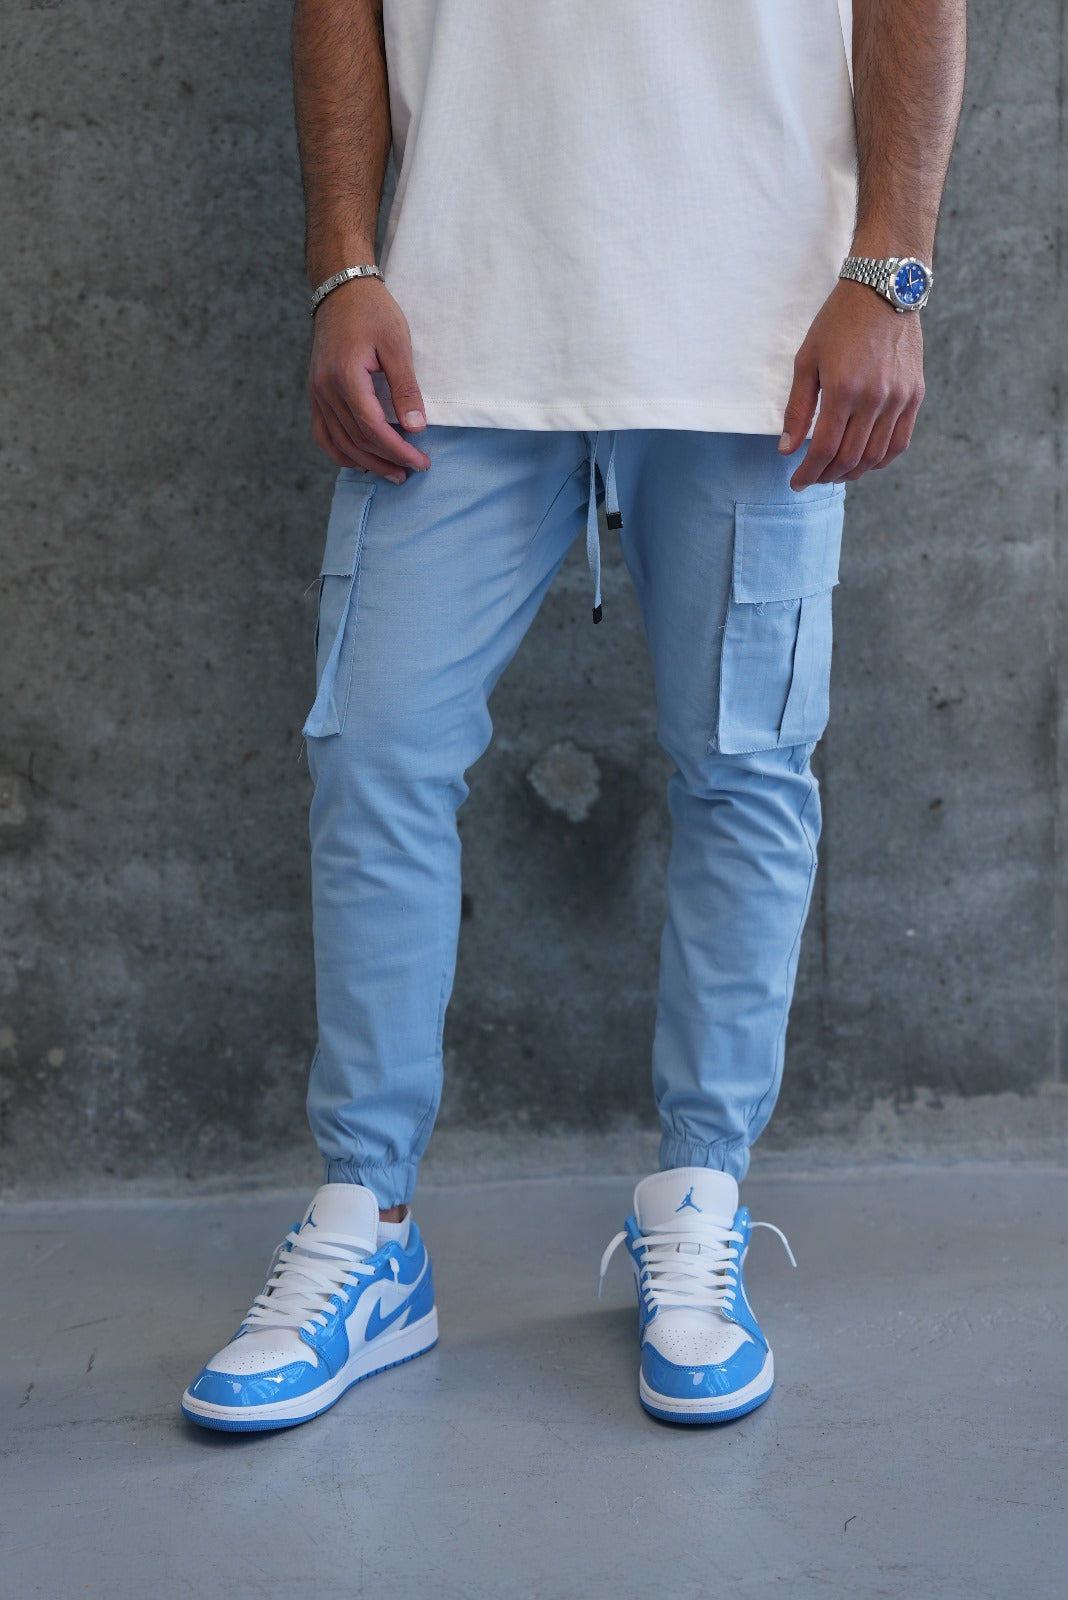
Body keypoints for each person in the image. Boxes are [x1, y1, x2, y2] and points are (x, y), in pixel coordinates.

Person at [182, 0, 966, 1432]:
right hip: (458, 317)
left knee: (747, 770)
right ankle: (369, 1226)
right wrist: (342, 265)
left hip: (760, 330)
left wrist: (893, 270)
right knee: (374, 750)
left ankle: (702, 1195)